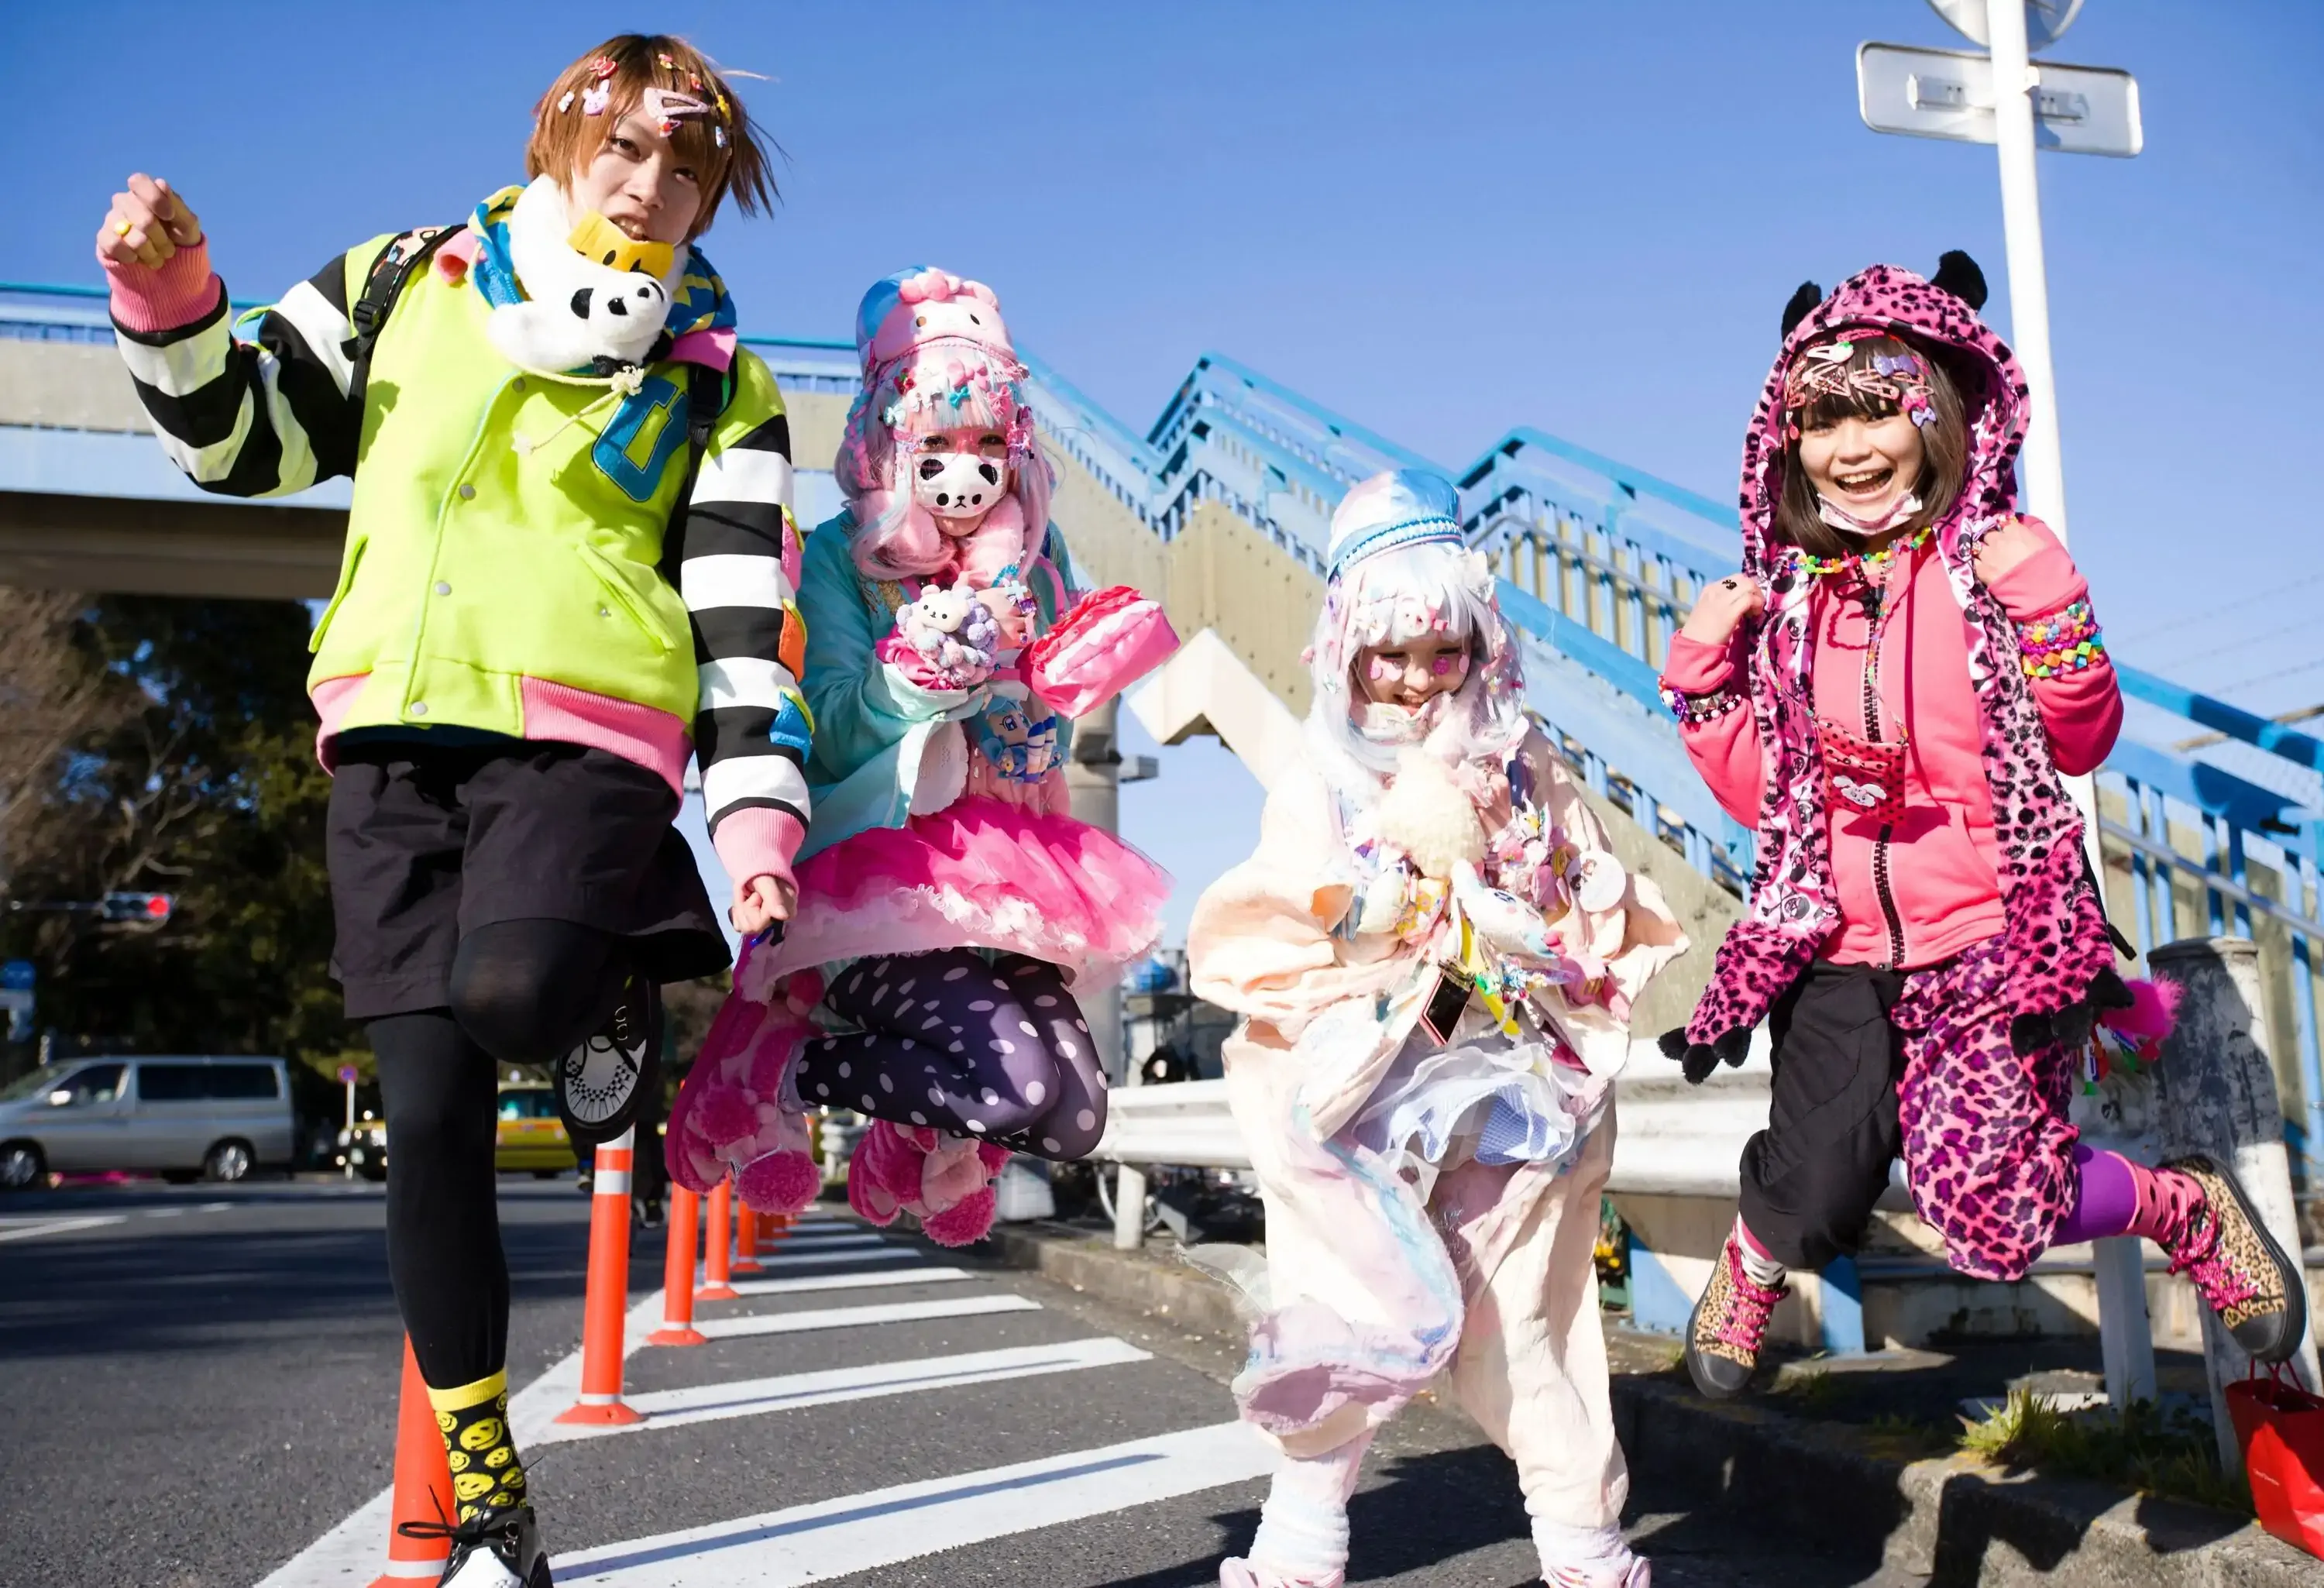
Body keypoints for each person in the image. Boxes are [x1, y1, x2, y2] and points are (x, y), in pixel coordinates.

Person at [96, 34, 804, 1585]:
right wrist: (174, 298)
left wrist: (752, 828)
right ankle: (491, 1497)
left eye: (688, 166)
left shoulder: (721, 381)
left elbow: (746, 621)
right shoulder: (403, 277)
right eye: (625, 146)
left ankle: (621, 960)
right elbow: (240, 443)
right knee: (426, 1113)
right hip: (388, 734)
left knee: (515, 989)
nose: (651, 183)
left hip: (588, 738)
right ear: (561, 139)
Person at [1658, 254, 2308, 1400]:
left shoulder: (1991, 567)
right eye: (1821, 421)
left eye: (1880, 414)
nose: (1851, 447)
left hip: (1986, 941)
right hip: (1837, 942)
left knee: (1998, 1215)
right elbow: (1764, 798)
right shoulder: (1788, 604)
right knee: (1811, 1189)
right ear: (1786, 439)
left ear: (1941, 415)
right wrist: (1707, 674)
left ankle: (2183, 1203)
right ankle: (1750, 1269)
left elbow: (2082, 740)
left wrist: (2053, 607)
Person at [1188, 469, 1686, 1588]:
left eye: (1443, 650)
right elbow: (1283, 917)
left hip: (1516, 1078)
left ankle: (1585, 1547)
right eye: (1390, 653)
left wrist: (1527, 904)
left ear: (1478, 643)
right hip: (1366, 1086)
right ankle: (1300, 1545)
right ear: (1346, 647)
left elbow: (1585, 894)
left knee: (1527, 1315)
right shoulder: (1316, 774)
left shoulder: (1523, 758)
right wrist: (1386, 914)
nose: (1418, 678)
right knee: (1350, 1305)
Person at [714, 266, 1171, 1245]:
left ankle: (904, 1143)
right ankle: (777, 1073)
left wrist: (1036, 712)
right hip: (880, 876)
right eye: (939, 444)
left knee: (1077, 1115)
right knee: (1012, 1083)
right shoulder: (839, 556)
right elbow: (830, 722)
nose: (965, 471)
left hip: (1009, 878)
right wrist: (919, 673)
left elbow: (1037, 714)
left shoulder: (1037, 567)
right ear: (891, 441)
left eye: (986, 445)